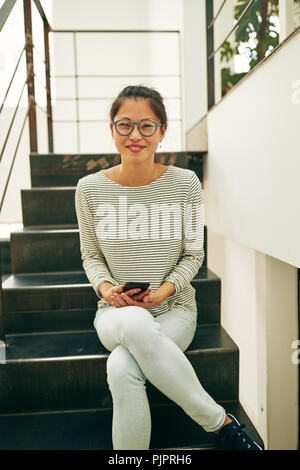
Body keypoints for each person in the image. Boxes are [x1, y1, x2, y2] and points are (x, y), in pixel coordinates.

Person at [75, 85, 263, 451]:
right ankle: (221, 424)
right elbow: (90, 256)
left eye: (147, 125)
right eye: (124, 125)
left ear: (162, 131)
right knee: (132, 321)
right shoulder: (88, 189)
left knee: (121, 368)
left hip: (175, 311)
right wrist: (106, 289)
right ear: (112, 130)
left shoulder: (185, 184)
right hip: (115, 314)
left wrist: (164, 291)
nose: (135, 136)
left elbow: (194, 254)